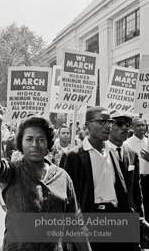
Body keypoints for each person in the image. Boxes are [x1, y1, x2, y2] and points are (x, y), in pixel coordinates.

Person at [0, 94, 91, 251]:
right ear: (20, 143)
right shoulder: (13, 171)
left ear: (48, 143)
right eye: (29, 139)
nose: (34, 144)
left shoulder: (62, 177)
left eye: (41, 139)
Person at [59, 106, 138, 251]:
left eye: (110, 122)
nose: (108, 126)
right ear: (87, 125)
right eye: (102, 122)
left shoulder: (114, 153)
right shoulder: (73, 156)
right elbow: (66, 199)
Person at [107, 112, 149, 248]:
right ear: (109, 126)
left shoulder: (132, 155)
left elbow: (137, 191)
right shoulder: (100, 153)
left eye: (127, 124)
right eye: (119, 124)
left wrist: (140, 219)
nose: (125, 128)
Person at [124, 117, 149, 222]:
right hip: (134, 180)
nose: (141, 128)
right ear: (132, 127)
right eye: (138, 125)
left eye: (143, 125)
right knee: (136, 205)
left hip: (148, 178)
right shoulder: (127, 144)